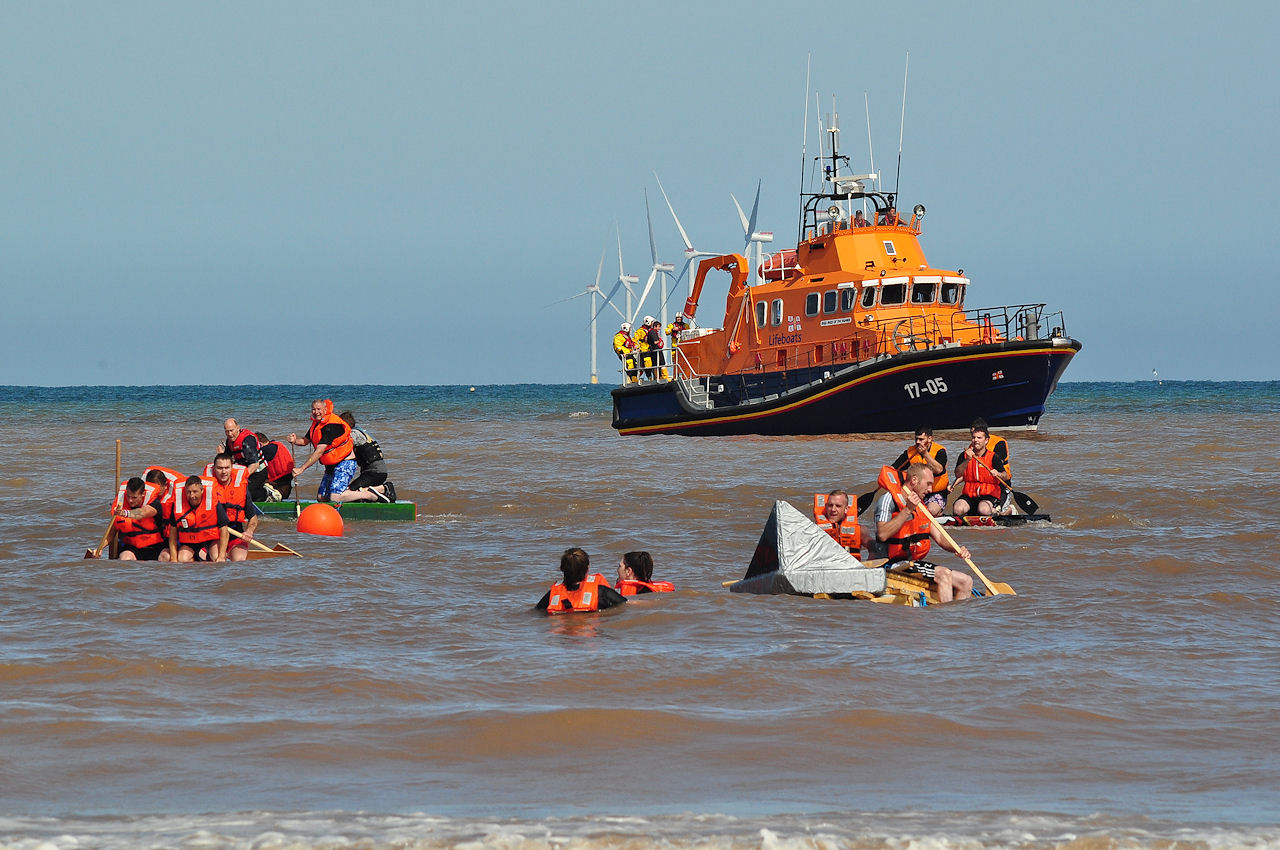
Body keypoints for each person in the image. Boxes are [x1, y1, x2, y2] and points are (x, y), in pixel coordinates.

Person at [871, 464, 974, 603]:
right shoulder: (888, 500)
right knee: (944, 574)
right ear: (914, 480)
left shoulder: (921, 506)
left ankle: (954, 622)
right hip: (891, 564)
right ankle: (946, 618)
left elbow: (939, 536)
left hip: (912, 563)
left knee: (966, 581)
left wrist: (958, 549)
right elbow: (882, 534)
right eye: (928, 484)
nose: (930, 489)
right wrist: (907, 510)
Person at [287, 399, 357, 502]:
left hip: (345, 463)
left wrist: (302, 468)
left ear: (325, 410)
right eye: (313, 410)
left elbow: (319, 451)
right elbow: (304, 441)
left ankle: (370, 495)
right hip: (331, 465)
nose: (316, 412)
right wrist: (294, 440)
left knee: (335, 497)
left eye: (319, 409)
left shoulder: (330, 426)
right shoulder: (316, 424)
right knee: (321, 497)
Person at [329, 411, 396, 503]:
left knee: (349, 491)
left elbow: (342, 446)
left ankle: (384, 488)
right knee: (354, 493)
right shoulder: (361, 431)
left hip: (374, 473)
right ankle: (378, 493)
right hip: (375, 472)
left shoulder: (354, 434)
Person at [98, 477, 170, 561]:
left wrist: (125, 513)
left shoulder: (154, 504)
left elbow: (142, 513)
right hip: (132, 548)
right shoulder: (120, 506)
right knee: (125, 558)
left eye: (134, 498)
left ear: (143, 494)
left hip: (156, 546)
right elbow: (111, 533)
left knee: (166, 557)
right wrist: (100, 549)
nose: (130, 500)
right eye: (128, 496)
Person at [535, 547, 627, 613]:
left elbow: (535, 612)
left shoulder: (551, 595)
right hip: (590, 636)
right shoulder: (602, 593)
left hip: (563, 638)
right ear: (587, 569)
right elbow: (626, 605)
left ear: (562, 569)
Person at [207, 452, 262, 561]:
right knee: (216, 559)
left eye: (227, 468)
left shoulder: (241, 489)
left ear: (232, 468)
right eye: (220, 468)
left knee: (239, 560)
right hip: (215, 536)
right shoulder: (206, 488)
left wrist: (249, 531)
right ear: (214, 469)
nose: (223, 472)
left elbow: (253, 517)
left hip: (235, 534)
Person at [952, 420, 1012, 517]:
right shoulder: (964, 455)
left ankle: (1001, 511)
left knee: (983, 510)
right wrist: (967, 460)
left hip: (989, 495)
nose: (976, 440)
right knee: (958, 509)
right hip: (970, 495)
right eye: (973, 437)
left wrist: (998, 474)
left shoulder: (994, 456)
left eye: (979, 438)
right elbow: (958, 474)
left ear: (986, 440)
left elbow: (1005, 476)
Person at [168, 475, 229, 563]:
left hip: (210, 540)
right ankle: (196, 563)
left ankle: (207, 559)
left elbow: (224, 530)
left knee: (217, 557)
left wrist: (222, 556)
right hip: (189, 542)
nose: (192, 496)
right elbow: (172, 532)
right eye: (188, 492)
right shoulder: (178, 505)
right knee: (182, 559)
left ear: (202, 491)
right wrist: (173, 558)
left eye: (195, 491)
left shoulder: (213, 503)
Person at [891, 426, 949, 516]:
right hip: (917, 492)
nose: (918, 442)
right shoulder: (910, 452)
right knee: (902, 509)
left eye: (921, 439)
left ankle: (939, 513)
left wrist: (925, 454)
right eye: (916, 439)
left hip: (936, 492)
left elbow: (939, 470)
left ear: (930, 439)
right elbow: (894, 469)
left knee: (931, 511)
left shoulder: (940, 451)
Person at [813, 489, 862, 555]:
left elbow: (873, 548)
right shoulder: (813, 530)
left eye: (838, 506)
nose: (833, 509)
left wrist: (872, 553)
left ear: (846, 509)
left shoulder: (861, 531)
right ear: (826, 507)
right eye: (830, 505)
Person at [644, 315, 668, 380]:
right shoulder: (652, 332)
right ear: (655, 326)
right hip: (655, 350)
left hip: (655, 350)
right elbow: (655, 342)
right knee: (660, 363)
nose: (659, 329)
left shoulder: (652, 332)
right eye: (659, 327)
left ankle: (660, 376)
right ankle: (662, 377)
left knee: (658, 364)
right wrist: (660, 341)